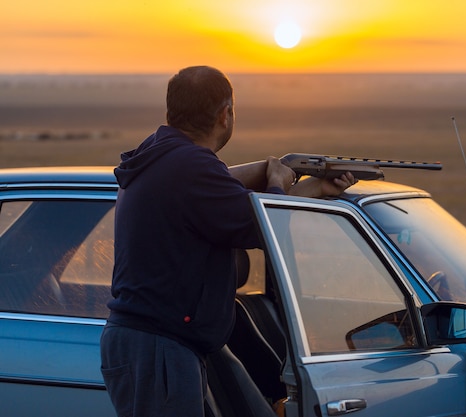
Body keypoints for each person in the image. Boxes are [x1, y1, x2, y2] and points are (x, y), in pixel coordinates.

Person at [100, 65, 355, 417]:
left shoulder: (160, 156)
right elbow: (260, 228)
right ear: (226, 114)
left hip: (150, 343)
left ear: (172, 111)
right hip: (159, 347)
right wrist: (278, 180)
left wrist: (314, 190)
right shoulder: (191, 167)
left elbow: (233, 203)